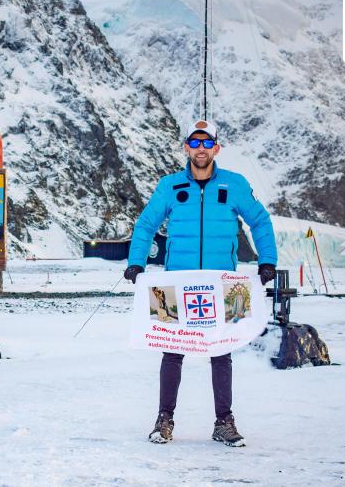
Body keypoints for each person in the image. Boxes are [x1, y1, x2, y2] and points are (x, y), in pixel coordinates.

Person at [123, 119, 277, 447]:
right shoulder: (170, 186)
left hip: (223, 282)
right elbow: (147, 223)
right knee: (172, 351)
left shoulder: (235, 184)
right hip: (176, 283)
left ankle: (224, 422)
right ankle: (164, 420)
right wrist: (137, 262)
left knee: (221, 352)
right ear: (186, 148)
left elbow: (260, 221)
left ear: (217, 148)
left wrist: (267, 261)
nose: (201, 149)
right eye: (195, 143)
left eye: (207, 143)